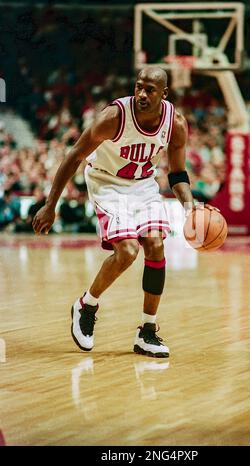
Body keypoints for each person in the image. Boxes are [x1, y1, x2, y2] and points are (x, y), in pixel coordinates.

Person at [32, 67, 196, 358]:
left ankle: (147, 331)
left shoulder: (176, 124)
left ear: (164, 94)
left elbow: (178, 173)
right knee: (128, 251)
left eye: (150, 90)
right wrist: (50, 204)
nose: (142, 94)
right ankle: (87, 305)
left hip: (143, 185)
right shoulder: (114, 117)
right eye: (139, 87)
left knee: (156, 246)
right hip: (107, 182)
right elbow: (74, 155)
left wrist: (190, 206)